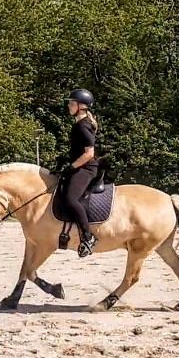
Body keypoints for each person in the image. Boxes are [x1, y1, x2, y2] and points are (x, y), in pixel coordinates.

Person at [59, 88, 100, 257]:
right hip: (80, 165)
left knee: (71, 199)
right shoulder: (78, 124)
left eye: (72, 103)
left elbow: (89, 154)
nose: (69, 105)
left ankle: (88, 237)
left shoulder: (83, 126)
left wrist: (72, 166)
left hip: (86, 168)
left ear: (81, 106)